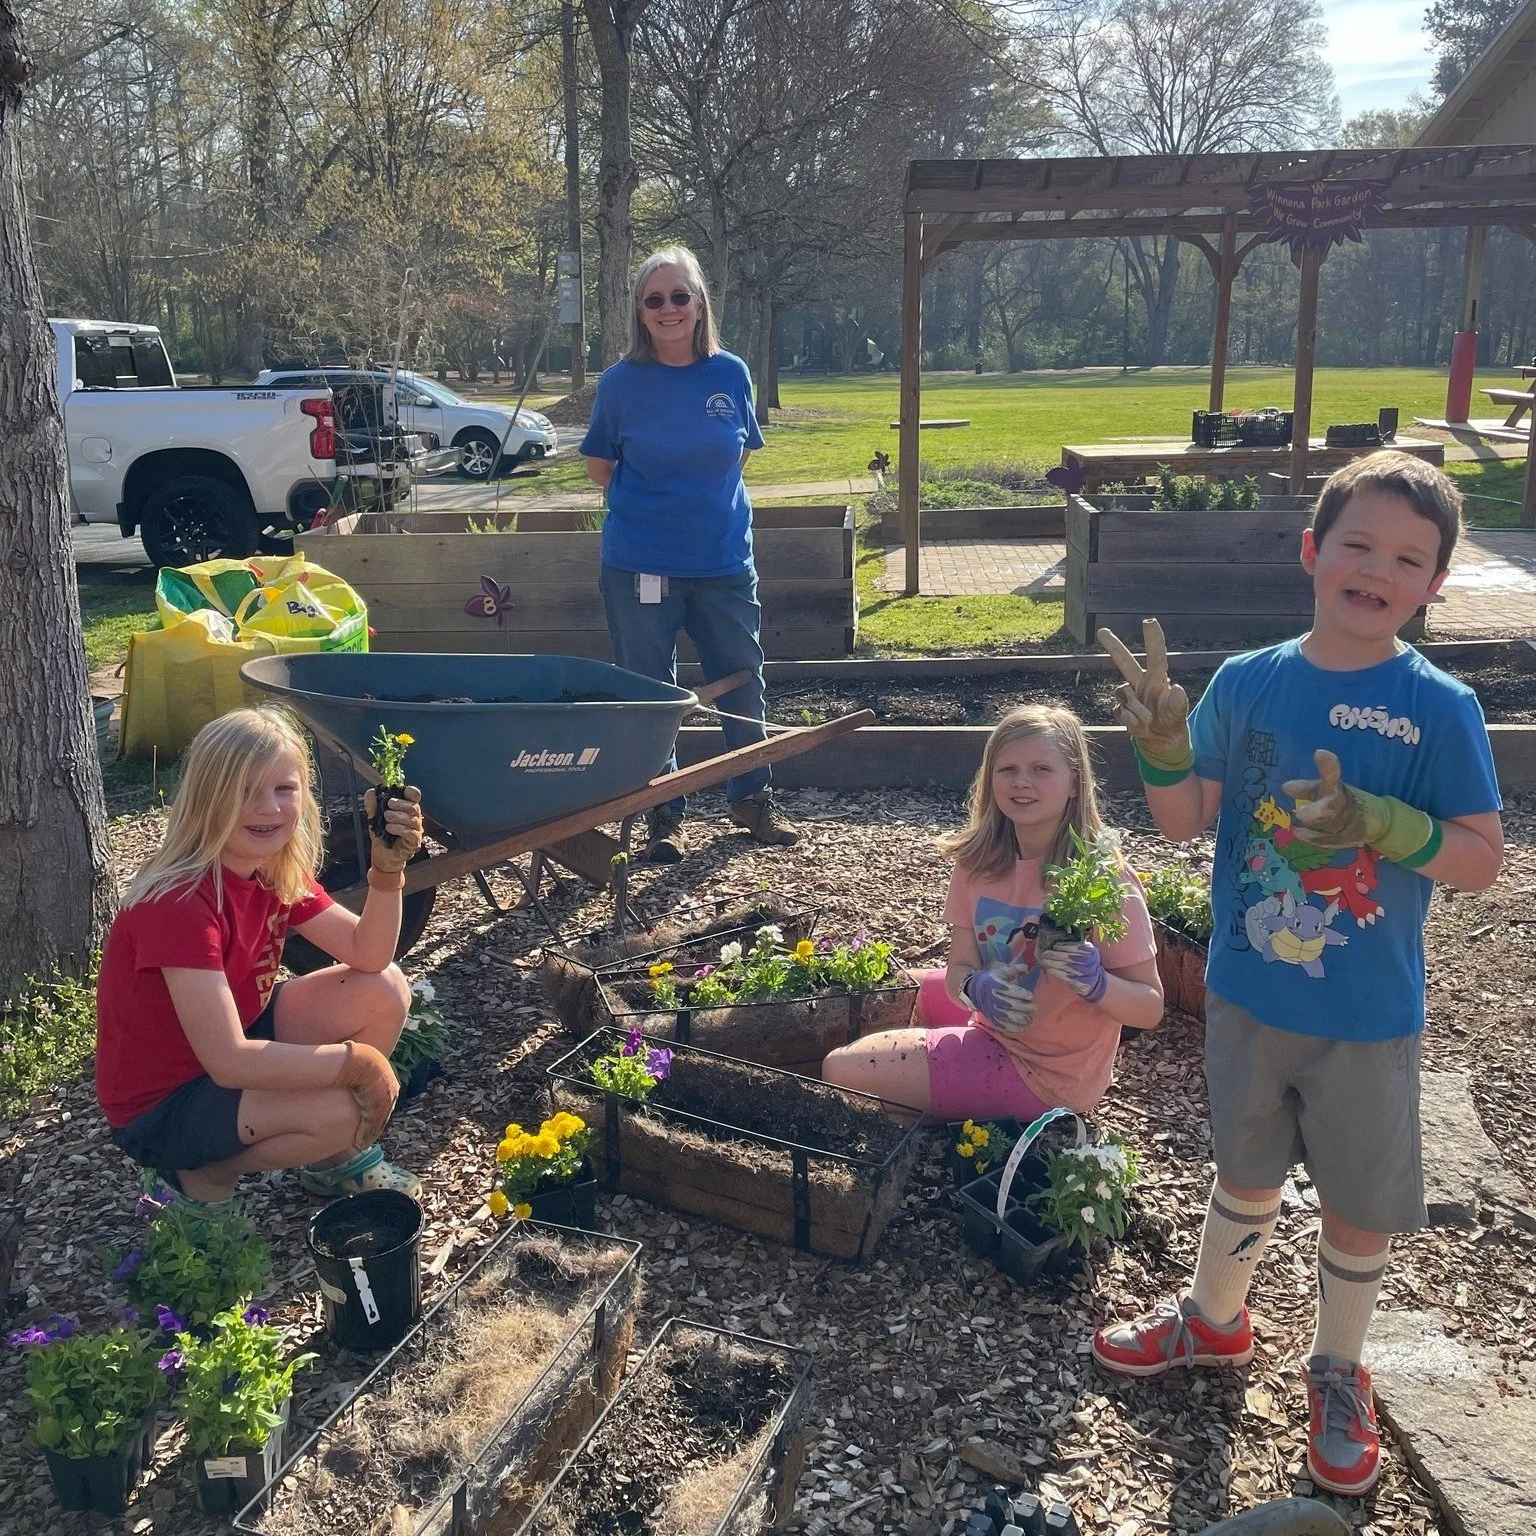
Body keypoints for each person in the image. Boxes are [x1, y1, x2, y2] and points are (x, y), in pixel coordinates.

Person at [1092, 452, 1503, 1497]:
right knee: (1247, 1171)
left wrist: (1387, 825)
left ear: (1435, 586)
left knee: (1357, 1202)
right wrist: (1159, 746)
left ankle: (1339, 1367)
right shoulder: (1250, 682)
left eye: (1409, 558)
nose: (1377, 568)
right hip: (1248, 991)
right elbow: (1187, 822)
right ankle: (1214, 1323)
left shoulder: (1440, 707)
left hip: (1366, 1012)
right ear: (1314, 552)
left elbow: (1482, 861)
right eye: (1358, 543)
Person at [96, 706, 426, 1213]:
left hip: (233, 1048)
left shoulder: (270, 869)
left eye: (283, 789)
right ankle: (201, 1172)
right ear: (207, 797)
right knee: (343, 1107)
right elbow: (228, 1061)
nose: (267, 808)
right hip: (164, 1105)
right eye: (245, 790)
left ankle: (332, 1162)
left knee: (383, 988)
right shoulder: (180, 901)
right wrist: (356, 1064)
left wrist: (388, 871)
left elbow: (369, 952)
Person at [821, 706, 1162, 1121]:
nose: (1022, 782)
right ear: (990, 778)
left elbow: (1149, 1007)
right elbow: (958, 970)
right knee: (889, 992)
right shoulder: (977, 863)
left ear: (1074, 782)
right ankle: (932, 1089)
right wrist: (975, 988)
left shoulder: (1104, 880)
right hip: (991, 1025)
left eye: (1041, 768)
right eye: (1008, 769)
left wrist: (1096, 983)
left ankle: (932, 1108)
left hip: (1044, 1074)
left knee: (838, 1069)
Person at [579, 244, 797, 863]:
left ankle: (751, 799)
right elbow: (601, 468)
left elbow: (738, 453)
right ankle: (664, 814)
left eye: (681, 296)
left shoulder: (730, 374)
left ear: (700, 304)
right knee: (652, 693)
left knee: (743, 680)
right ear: (640, 313)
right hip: (640, 564)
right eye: (655, 299)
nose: (669, 308)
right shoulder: (621, 384)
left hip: (724, 563)